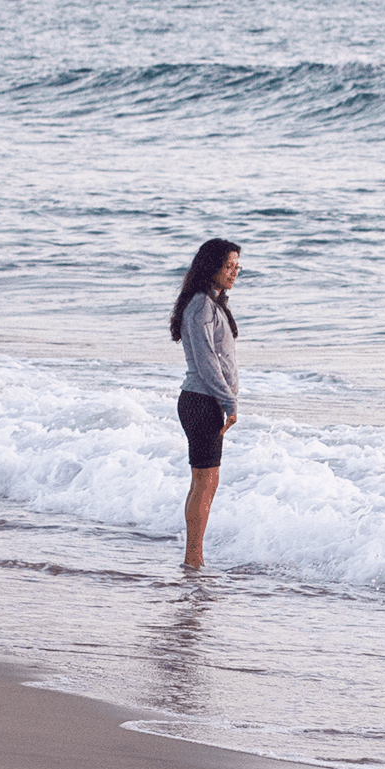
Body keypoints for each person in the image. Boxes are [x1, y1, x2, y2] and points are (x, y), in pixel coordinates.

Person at [170, 237, 242, 570]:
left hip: (205, 401)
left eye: (237, 266)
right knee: (205, 482)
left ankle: (194, 558)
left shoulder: (210, 304)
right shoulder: (200, 305)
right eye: (228, 266)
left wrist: (227, 400)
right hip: (202, 402)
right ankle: (193, 559)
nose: (234, 272)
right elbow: (207, 362)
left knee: (204, 482)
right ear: (210, 266)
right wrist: (228, 402)